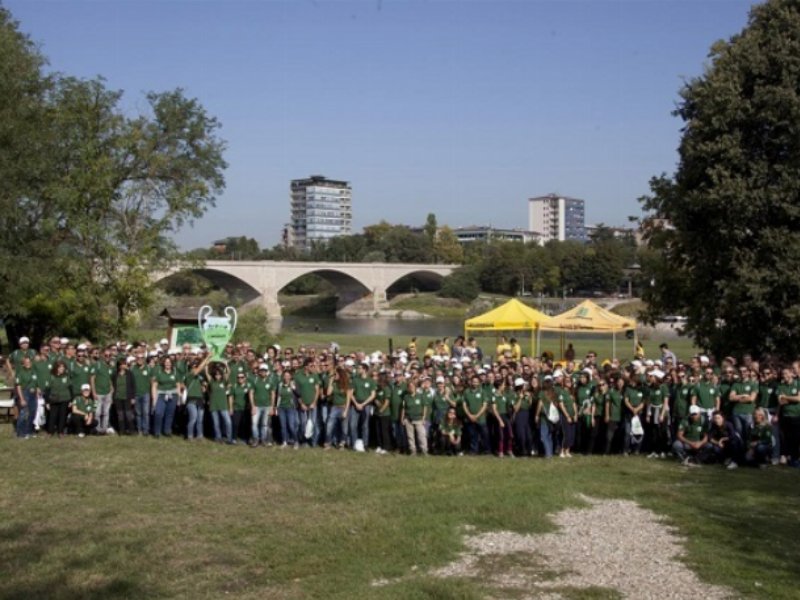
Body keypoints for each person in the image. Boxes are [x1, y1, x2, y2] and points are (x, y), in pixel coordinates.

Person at [151, 356, 180, 438]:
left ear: (171, 363)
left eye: (169, 362)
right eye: (166, 362)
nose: (168, 363)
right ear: (163, 363)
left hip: (173, 396)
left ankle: (167, 431)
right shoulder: (159, 372)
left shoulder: (175, 372)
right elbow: (154, 386)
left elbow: (178, 385)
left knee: (169, 414)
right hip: (161, 395)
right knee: (158, 413)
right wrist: (154, 398)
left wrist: (178, 398)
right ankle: (157, 432)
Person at [349, 362, 375, 452]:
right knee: (353, 425)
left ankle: (365, 444)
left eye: (360, 368)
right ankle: (354, 444)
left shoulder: (371, 381)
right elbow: (351, 393)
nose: (358, 370)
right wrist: (356, 403)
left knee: (365, 426)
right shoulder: (355, 380)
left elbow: (372, 395)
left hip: (366, 405)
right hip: (355, 404)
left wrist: (363, 404)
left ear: (364, 369)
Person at [294, 358, 320, 447]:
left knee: (313, 422)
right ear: (306, 366)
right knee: (303, 423)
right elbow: (297, 392)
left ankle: (313, 442)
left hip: (313, 404)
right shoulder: (298, 376)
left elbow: (317, 390)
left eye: (314, 365)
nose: (313, 367)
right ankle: (303, 440)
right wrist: (301, 403)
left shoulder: (315, 376)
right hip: (303, 404)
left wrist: (314, 402)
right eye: (311, 366)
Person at [777, 368, 800, 466]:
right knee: (786, 438)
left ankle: (795, 459)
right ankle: (788, 457)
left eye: (786, 373)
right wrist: (792, 398)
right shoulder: (780, 386)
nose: (784, 375)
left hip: (797, 415)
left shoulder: (798, 383)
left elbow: (799, 399)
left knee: (796, 438)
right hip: (785, 415)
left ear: (791, 373)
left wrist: (785, 397)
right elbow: (780, 402)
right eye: (783, 373)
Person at [325, 366, 352, 449]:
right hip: (334, 407)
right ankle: (328, 443)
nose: (334, 375)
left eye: (335, 374)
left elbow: (348, 399)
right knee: (329, 425)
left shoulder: (347, 384)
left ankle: (342, 443)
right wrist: (330, 382)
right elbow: (328, 393)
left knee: (344, 427)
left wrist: (346, 411)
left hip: (343, 407)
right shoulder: (334, 384)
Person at [185, 355, 210, 441]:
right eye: (193, 366)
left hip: (200, 399)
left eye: (196, 366)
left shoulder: (200, 377)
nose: (195, 368)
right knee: (193, 418)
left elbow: (204, 387)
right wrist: (207, 357)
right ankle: (190, 435)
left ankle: (200, 435)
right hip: (191, 399)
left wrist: (204, 387)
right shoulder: (189, 375)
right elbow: (198, 370)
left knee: (200, 419)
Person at [91, 347, 116, 434]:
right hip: (98, 393)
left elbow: (109, 379)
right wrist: (93, 392)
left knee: (106, 412)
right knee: (97, 412)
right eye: (106, 355)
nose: (107, 357)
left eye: (109, 355)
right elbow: (92, 378)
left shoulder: (110, 366)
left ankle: (104, 429)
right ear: (102, 355)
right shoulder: (97, 365)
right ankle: (97, 429)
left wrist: (111, 387)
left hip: (108, 393)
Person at [462, 375, 489, 455]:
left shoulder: (483, 391)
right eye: (473, 381)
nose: (475, 383)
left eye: (476, 382)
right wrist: (469, 415)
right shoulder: (467, 391)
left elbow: (484, 405)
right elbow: (464, 404)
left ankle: (486, 450)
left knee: (485, 435)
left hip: (481, 418)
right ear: (471, 382)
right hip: (469, 418)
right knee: (473, 435)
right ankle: (474, 450)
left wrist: (477, 415)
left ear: (479, 383)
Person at [14, 355, 39, 439]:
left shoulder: (34, 371)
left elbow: (36, 383)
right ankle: (20, 432)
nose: (28, 364)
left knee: (32, 413)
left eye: (29, 362)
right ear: (23, 363)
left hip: (33, 394)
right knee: (24, 413)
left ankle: (29, 431)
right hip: (25, 393)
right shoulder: (20, 372)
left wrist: (37, 390)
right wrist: (22, 399)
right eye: (26, 362)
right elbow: (18, 386)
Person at [250, 364, 275, 447]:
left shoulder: (270, 381)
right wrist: (253, 406)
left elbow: (272, 394)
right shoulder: (255, 380)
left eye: (264, 370)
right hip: (256, 406)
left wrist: (272, 407)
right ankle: (256, 439)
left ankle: (263, 439)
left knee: (264, 424)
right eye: (261, 370)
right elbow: (251, 393)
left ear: (267, 371)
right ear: (259, 371)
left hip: (267, 406)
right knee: (254, 424)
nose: (263, 372)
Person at [206, 364, 232, 444]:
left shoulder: (224, 381)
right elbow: (207, 373)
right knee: (216, 423)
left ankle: (229, 438)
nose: (218, 376)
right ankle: (218, 438)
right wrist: (207, 364)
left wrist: (226, 364)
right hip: (213, 405)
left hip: (223, 405)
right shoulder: (211, 381)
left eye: (219, 374)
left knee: (228, 422)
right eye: (216, 374)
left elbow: (229, 372)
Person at [401, 380, 428, 456]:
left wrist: (423, 418)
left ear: (415, 387)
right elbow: (403, 408)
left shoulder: (420, 396)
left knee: (421, 436)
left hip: (419, 419)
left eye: (412, 386)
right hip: (408, 419)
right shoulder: (406, 397)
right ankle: (413, 451)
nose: (411, 388)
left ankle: (424, 451)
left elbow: (425, 407)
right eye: (409, 387)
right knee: (410, 436)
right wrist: (402, 418)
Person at [46, 361, 72, 437]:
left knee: (62, 416)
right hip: (53, 399)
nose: (62, 369)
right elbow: (47, 389)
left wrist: (71, 400)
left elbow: (70, 388)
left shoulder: (66, 376)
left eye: (63, 367)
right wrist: (47, 401)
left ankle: (60, 432)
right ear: (56, 368)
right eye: (60, 367)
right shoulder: (51, 376)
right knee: (52, 416)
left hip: (65, 398)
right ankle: (50, 432)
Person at [535, 377, 559, 459]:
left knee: (544, 436)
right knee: (549, 436)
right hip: (552, 417)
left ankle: (548, 454)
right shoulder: (554, 393)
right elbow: (556, 405)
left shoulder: (542, 393)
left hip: (544, 417)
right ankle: (550, 452)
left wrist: (537, 415)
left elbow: (540, 404)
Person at [112, 358, 136, 435]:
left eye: (124, 364)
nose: (123, 366)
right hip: (118, 397)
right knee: (120, 415)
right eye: (121, 364)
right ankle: (121, 431)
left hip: (127, 397)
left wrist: (133, 397)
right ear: (118, 365)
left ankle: (131, 430)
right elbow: (112, 385)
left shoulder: (130, 374)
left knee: (129, 414)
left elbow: (133, 386)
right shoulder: (115, 374)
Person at [276, 369, 299, 448]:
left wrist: (294, 388)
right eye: (285, 376)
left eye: (288, 376)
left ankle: (295, 441)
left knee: (291, 425)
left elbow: (299, 394)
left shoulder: (293, 384)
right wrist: (276, 407)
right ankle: (284, 441)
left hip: (290, 408)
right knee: (283, 426)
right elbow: (279, 396)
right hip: (281, 408)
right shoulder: (280, 385)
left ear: (290, 376)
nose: (286, 377)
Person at [511, 378, 533, 457]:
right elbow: (516, 409)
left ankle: (529, 451)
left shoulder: (526, 394)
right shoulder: (514, 395)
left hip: (526, 415)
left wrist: (529, 397)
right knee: (521, 436)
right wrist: (520, 398)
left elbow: (530, 405)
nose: (525, 386)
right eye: (524, 385)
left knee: (529, 436)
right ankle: (522, 451)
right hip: (519, 416)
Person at [230, 371, 253, 445]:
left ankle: (246, 438)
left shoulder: (248, 386)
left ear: (244, 378)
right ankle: (234, 438)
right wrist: (230, 407)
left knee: (246, 424)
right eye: (238, 377)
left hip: (246, 409)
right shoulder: (234, 386)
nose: (240, 379)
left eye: (242, 377)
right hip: (236, 408)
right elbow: (231, 397)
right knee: (235, 424)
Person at [373, 372, 393, 455]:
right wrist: (376, 401)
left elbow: (387, 402)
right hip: (377, 412)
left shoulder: (386, 389)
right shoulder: (378, 388)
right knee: (378, 431)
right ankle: (379, 445)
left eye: (379, 378)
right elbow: (375, 397)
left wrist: (382, 409)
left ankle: (386, 447)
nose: (377, 380)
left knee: (384, 431)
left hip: (385, 414)